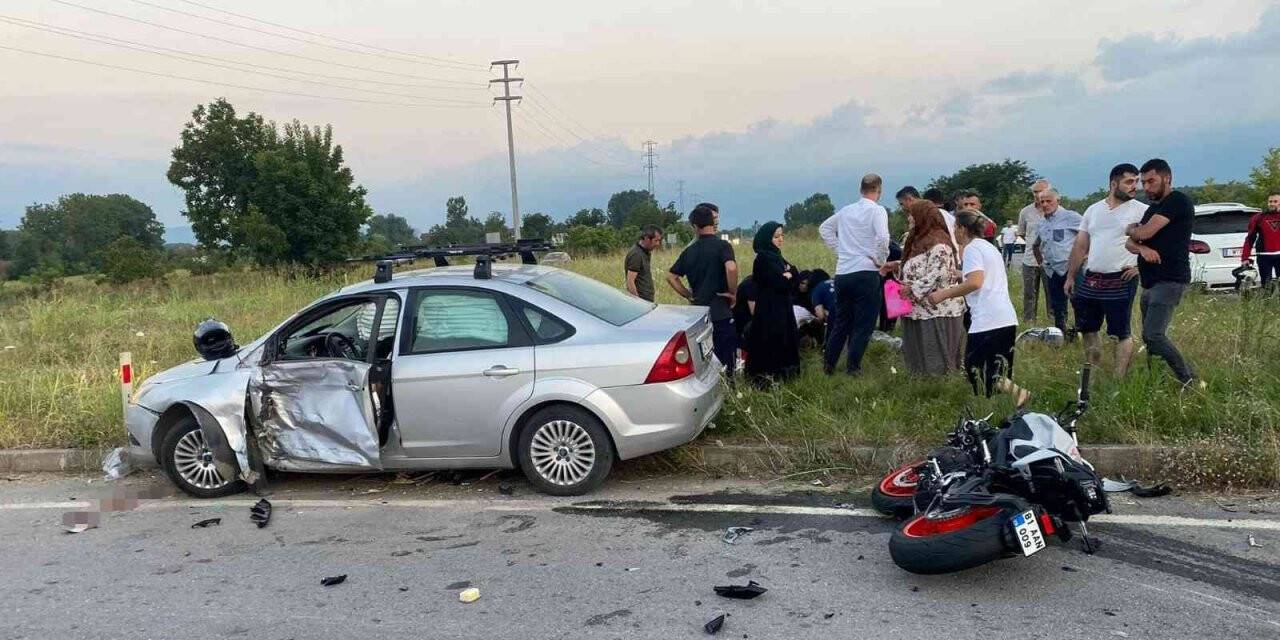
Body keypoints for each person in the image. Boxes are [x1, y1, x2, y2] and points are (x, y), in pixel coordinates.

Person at [1064, 164, 1146, 377]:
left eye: (1136, 182)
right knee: (1088, 328)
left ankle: (1119, 379)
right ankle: (1093, 370)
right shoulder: (1093, 209)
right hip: (1092, 276)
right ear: (1113, 183)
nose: (1134, 186)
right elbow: (1081, 245)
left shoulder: (1141, 210)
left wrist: (1139, 267)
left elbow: (1160, 243)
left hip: (1122, 277)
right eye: (1129, 182)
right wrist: (1071, 276)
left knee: (1121, 331)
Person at [928, 210, 1019, 397]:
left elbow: (975, 282)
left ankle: (1007, 399)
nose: (954, 232)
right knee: (997, 369)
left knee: (973, 366)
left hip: (988, 319)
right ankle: (1016, 398)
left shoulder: (971, 249)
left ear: (962, 228)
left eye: (955, 228)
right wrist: (962, 274)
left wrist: (943, 294)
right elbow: (983, 276)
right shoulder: (988, 247)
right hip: (1004, 317)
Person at [1125, 158, 1197, 385]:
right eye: (1143, 183)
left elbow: (1142, 232)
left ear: (1167, 178)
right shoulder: (1154, 207)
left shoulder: (1177, 201)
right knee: (1149, 338)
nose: (1146, 187)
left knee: (1154, 334)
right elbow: (1130, 241)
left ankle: (1189, 379)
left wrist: (1137, 233)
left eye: (1151, 181)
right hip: (1149, 281)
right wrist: (1143, 248)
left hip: (1170, 279)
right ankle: (1155, 381)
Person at [819, 173, 891, 376]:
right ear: (879, 190)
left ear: (861, 190)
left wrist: (840, 249)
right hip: (866, 272)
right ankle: (853, 366)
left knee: (841, 321)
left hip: (843, 273)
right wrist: (880, 259)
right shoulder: (877, 211)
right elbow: (883, 238)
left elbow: (824, 229)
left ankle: (829, 364)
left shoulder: (846, 211)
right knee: (863, 323)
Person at [667, 204, 739, 375]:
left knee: (704, 358)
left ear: (694, 227)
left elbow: (671, 276)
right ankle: (730, 388)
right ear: (712, 223)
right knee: (726, 357)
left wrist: (688, 294)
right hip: (721, 310)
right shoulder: (723, 246)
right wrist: (732, 292)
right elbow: (731, 268)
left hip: (699, 313)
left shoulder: (689, 251)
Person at [897, 200, 965, 375]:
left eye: (912, 214)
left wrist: (912, 289)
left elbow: (939, 273)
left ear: (923, 216)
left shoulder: (939, 242)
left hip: (936, 308)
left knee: (933, 348)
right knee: (917, 348)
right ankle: (920, 379)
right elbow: (918, 264)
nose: (910, 218)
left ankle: (938, 384)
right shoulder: (916, 239)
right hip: (916, 307)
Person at [744, 222, 801, 385]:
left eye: (782, 236)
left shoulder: (776, 256)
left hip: (783, 305)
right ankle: (768, 377)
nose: (781, 239)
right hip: (769, 308)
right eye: (776, 237)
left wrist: (789, 275)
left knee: (786, 338)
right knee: (771, 339)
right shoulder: (763, 259)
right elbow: (779, 281)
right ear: (767, 238)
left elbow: (795, 274)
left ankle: (786, 376)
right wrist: (788, 276)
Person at [1032, 189, 1083, 336]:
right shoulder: (1041, 222)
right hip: (1052, 270)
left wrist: (1084, 255)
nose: (1045, 204)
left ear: (1058, 201)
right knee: (1057, 305)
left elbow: (1089, 234)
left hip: (1071, 268)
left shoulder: (1071, 217)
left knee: (1078, 302)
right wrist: (1041, 262)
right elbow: (1036, 244)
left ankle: (1081, 332)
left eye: (1049, 201)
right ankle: (1061, 334)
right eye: (1042, 202)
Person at [1017, 180, 1053, 322]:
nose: (1037, 195)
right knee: (1029, 294)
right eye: (1035, 192)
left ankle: (1054, 323)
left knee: (1052, 294)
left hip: (1051, 261)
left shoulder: (1056, 210)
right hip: (1030, 260)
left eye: (1041, 191)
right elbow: (1021, 233)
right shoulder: (1026, 212)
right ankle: (1029, 323)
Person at [1242, 192, 1280, 287]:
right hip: (1264, 256)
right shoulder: (1258, 218)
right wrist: (1245, 257)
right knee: (1266, 285)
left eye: (1275, 201)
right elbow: (1250, 238)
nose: (1272, 204)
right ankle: (1267, 301)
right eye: (1270, 201)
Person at [624, 225, 662, 301]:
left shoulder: (645, 252)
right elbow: (630, 282)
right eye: (656, 240)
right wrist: (638, 302)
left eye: (659, 241)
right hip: (642, 302)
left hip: (646, 301)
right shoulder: (636, 254)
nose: (658, 244)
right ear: (647, 239)